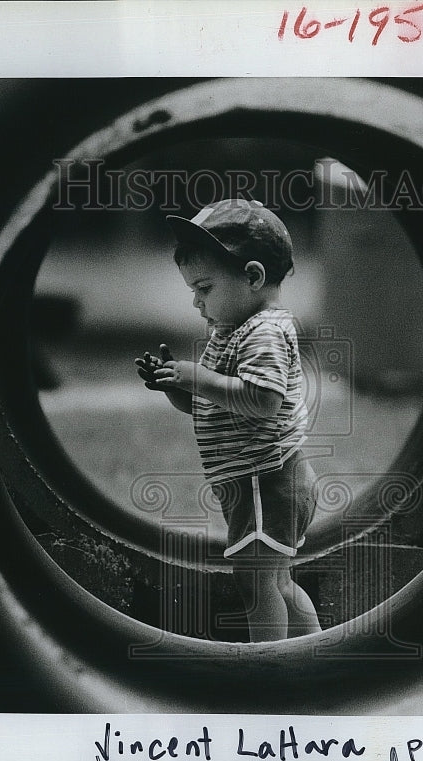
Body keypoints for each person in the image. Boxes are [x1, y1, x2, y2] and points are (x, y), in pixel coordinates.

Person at [135, 198, 321, 642]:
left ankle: (270, 666)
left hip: (267, 480)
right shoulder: (233, 331)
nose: (196, 301)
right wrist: (176, 387)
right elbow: (215, 404)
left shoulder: (264, 332)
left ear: (253, 277)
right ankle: (314, 652)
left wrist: (196, 377)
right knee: (276, 581)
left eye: (204, 287)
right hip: (262, 481)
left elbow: (263, 400)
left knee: (256, 581)